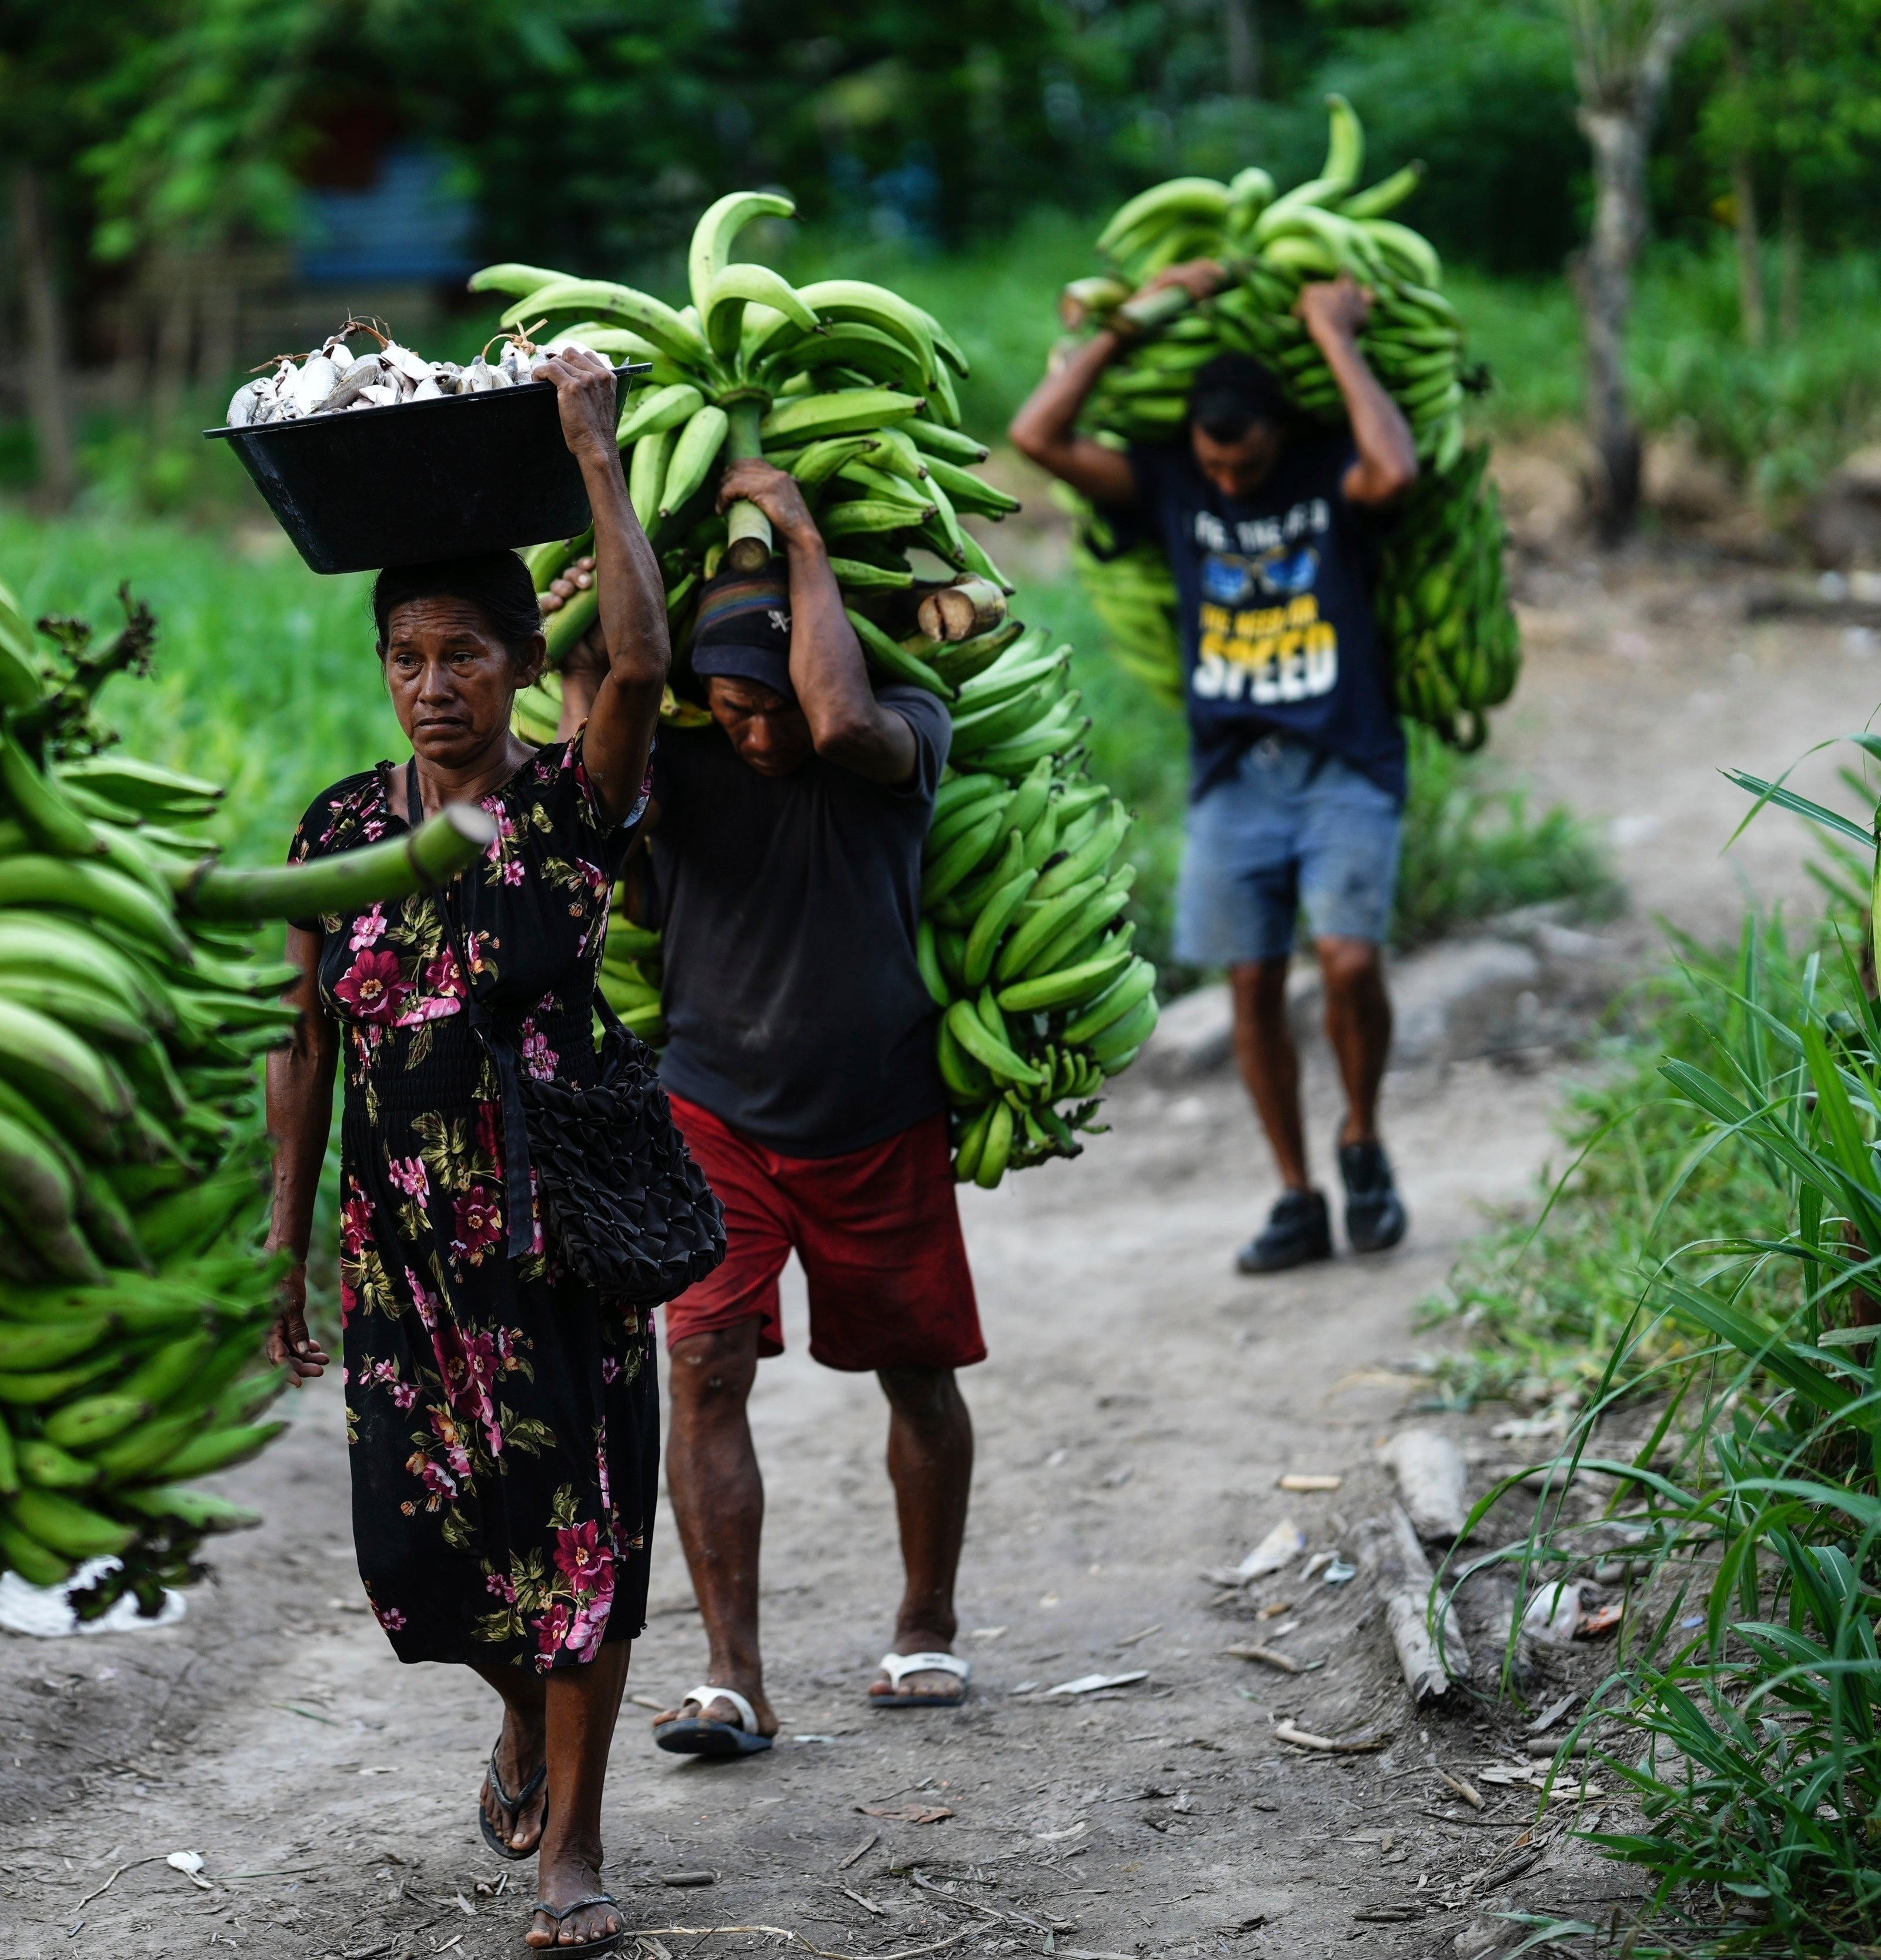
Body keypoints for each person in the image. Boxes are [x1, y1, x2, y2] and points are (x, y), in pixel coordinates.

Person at [265, 342, 671, 1956]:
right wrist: (283, 1237)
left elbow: (636, 667)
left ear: (518, 663)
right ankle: (522, 1714)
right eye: (407, 656)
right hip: (399, 1242)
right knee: (421, 1552)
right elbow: (304, 1040)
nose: (434, 685)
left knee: (581, 1533)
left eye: (466, 656)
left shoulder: (572, 810)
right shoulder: (337, 829)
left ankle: (577, 1839)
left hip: (557, 1227)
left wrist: (594, 457)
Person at [557, 463, 981, 1753]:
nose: (757, 732)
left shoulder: (896, 727)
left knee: (913, 1372)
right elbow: (589, 781)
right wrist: (581, 634)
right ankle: (732, 1674)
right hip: (715, 1112)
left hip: (875, 1109)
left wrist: (799, 537)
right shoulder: (677, 762)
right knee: (704, 1368)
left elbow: (838, 718)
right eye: (730, 708)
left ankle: (925, 1620)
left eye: (770, 704)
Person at [1009, 262, 1419, 1273]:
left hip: (1344, 760)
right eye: (1215, 466)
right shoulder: (1173, 481)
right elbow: (1037, 438)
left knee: (1350, 959)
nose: (1230, 482)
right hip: (1233, 772)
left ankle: (1361, 1138)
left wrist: (1336, 335)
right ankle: (1295, 1193)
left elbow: (1396, 472)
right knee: (1249, 986)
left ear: (1279, 431)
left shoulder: (1331, 468)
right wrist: (1130, 326)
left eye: (1246, 464)